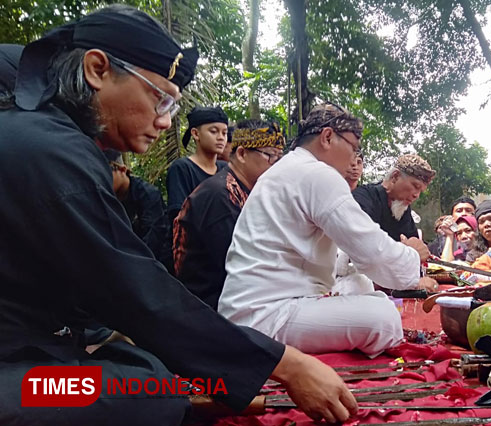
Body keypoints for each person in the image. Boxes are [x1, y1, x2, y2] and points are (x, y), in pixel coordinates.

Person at [0, 7, 356, 425]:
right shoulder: (49, 152)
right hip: (14, 364)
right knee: (142, 392)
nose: (166, 120)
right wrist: (286, 365)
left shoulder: (46, 134)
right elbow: (138, 292)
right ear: (97, 69)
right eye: (160, 97)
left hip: (39, 338)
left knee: (151, 372)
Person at [219, 103, 437, 356]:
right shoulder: (317, 174)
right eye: (353, 148)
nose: (354, 159)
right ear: (327, 137)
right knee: (384, 318)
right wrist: (411, 254)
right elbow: (372, 252)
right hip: (263, 316)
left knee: (361, 285)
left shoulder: (292, 168)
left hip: (263, 306)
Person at [173, 120, 284, 310]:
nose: (276, 165)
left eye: (279, 158)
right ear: (241, 154)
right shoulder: (220, 196)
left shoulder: (244, 189)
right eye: (270, 156)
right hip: (208, 308)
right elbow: (240, 265)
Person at [103, 149, 170, 265]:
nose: (103, 180)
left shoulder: (148, 195)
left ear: (122, 170)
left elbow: (154, 240)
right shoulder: (105, 198)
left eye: (106, 174)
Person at [166, 105, 229, 223]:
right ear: (195, 133)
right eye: (214, 131)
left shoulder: (226, 169)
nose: (221, 138)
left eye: (224, 133)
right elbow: (179, 214)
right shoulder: (182, 168)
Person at [353, 153, 435, 241]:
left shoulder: (403, 209)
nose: (416, 195)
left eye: (420, 191)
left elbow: (415, 243)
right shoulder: (363, 197)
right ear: (395, 176)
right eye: (416, 186)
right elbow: (366, 242)